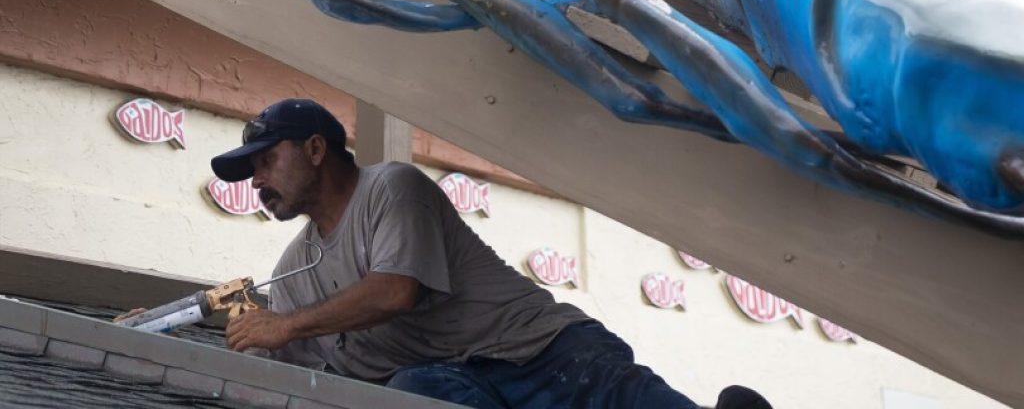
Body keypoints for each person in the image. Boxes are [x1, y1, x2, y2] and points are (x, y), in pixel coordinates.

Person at [212, 98, 772, 408]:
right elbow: (263, 364)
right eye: (250, 172)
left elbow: (393, 290)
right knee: (411, 394)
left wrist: (283, 326)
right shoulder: (293, 271)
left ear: (315, 150)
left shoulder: (390, 188)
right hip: (459, 382)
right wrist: (144, 334)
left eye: (265, 162)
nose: (256, 181)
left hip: (546, 355)